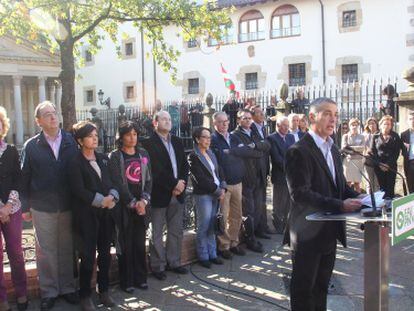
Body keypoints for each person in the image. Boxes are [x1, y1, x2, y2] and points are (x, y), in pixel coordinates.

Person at [285, 97, 362, 311]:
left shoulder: (334, 149)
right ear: (312, 117)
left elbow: (340, 188)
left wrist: (362, 199)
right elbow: (300, 194)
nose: (333, 119)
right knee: (303, 291)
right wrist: (340, 205)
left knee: (321, 288)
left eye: (336, 115)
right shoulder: (297, 151)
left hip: (329, 231)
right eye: (327, 113)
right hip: (307, 233)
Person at [20, 101, 79, 310]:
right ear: (39, 121)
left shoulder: (72, 141)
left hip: (68, 204)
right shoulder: (31, 146)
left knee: (66, 248)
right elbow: (24, 176)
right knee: (45, 251)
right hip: (41, 206)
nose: (53, 117)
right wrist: (25, 206)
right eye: (47, 114)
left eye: (54, 113)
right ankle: (49, 291)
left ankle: (68, 288)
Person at [68, 121, 118, 311]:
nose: (95, 138)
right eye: (90, 135)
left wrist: (113, 196)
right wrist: (100, 200)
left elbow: (114, 180)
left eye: (96, 134)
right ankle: (85, 296)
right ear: (80, 140)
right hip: (86, 216)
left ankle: (104, 291)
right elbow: (78, 189)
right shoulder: (74, 161)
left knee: (105, 254)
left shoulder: (104, 158)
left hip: (106, 214)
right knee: (88, 257)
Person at [141, 111, 189, 280]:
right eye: (164, 119)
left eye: (169, 119)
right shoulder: (147, 143)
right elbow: (155, 170)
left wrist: (181, 183)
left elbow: (184, 165)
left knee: (176, 231)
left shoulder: (177, 141)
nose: (168, 122)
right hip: (159, 194)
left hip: (178, 193)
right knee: (157, 233)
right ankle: (158, 265)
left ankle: (174, 262)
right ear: (155, 123)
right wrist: (173, 184)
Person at [108, 121, 152, 293]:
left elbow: (149, 179)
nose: (132, 138)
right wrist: (133, 203)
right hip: (124, 209)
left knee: (140, 244)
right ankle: (127, 281)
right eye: (128, 134)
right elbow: (118, 183)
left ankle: (141, 278)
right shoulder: (115, 156)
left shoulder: (143, 153)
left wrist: (144, 201)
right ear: (121, 137)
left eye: (135, 134)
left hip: (142, 206)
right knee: (125, 245)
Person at [211, 112, 253, 259]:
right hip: (225, 184)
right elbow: (219, 159)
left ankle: (234, 242)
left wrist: (231, 151)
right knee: (224, 215)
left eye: (226, 121)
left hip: (238, 182)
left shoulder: (234, 137)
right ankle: (224, 246)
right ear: (214, 123)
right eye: (221, 122)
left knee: (236, 215)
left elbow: (246, 151)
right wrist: (234, 152)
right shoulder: (213, 140)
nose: (224, 124)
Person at [0, 107, 28, 311]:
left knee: (17, 253)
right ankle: (2, 299)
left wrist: (8, 206)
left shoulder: (10, 150)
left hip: (13, 208)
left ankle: (22, 293)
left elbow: (18, 179)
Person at [188, 127, 227, 268]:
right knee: (204, 226)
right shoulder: (193, 156)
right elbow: (200, 179)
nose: (208, 140)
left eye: (209, 137)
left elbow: (220, 171)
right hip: (204, 195)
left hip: (217, 193)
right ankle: (203, 255)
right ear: (197, 139)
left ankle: (213, 254)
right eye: (205, 137)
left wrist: (223, 187)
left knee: (212, 225)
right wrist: (218, 191)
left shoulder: (211, 153)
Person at [232, 109, 270, 253]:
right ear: (238, 120)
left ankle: (258, 232)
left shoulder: (254, 132)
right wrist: (258, 150)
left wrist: (255, 147)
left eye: (249, 118)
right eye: (244, 118)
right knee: (249, 210)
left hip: (259, 175)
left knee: (259, 207)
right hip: (247, 177)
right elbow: (243, 152)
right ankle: (250, 239)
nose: (248, 120)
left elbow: (267, 145)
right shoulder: (235, 136)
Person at [267, 116, 295, 234]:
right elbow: (276, 158)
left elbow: (295, 154)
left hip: (291, 176)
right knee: (279, 202)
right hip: (280, 175)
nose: (287, 128)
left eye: (288, 125)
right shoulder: (272, 138)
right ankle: (278, 226)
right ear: (278, 126)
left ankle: (285, 225)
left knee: (288, 202)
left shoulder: (291, 137)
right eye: (284, 125)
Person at [250, 105, 272, 238]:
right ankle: (256, 230)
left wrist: (262, 144)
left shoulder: (263, 128)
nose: (262, 115)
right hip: (256, 171)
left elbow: (266, 146)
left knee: (263, 201)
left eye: (262, 112)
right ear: (253, 116)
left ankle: (263, 226)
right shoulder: (251, 129)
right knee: (256, 203)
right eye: (259, 113)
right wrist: (263, 144)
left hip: (264, 170)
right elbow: (262, 146)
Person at [371, 115, 404, 198]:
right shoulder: (375, 136)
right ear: (381, 124)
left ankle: (389, 207)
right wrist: (380, 164)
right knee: (381, 189)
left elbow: (396, 152)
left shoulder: (395, 136)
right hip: (379, 166)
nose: (387, 126)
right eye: (385, 124)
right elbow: (373, 151)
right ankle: (381, 208)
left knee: (390, 188)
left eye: (389, 124)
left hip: (391, 166)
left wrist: (388, 164)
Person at [341, 118, 365, 193]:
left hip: (358, 161)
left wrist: (351, 147)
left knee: (357, 183)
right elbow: (344, 147)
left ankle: (358, 198)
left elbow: (363, 148)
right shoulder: (345, 136)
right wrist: (356, 149)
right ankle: (347, 197)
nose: (354, 127)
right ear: (349, 126)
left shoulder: (362, 137)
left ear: (358, 126)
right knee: (348, 182)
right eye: (352, 125)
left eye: (356, 125)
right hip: (348, 161)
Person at [363, 117, 380, 192]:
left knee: (376, 182)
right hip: (368, 160)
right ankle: (369, 200)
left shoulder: (380, 134)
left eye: (373, 123)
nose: (371, 125)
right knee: (369, 182)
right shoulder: (365, 135)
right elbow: (363, 147)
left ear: (376, 124)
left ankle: (376, 200)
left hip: (378, 161)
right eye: (369, 124)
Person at [401, 112, 414, 193]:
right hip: (409, 163)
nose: (413, 121)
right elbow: (401, 151)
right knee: (410, 187)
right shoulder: (404, 134)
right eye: (410, 119)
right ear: (407, 121)